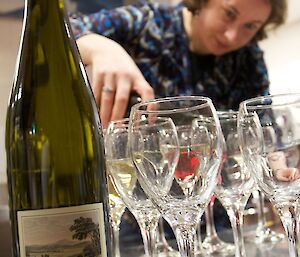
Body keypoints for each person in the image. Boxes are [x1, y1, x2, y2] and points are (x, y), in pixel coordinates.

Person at [70, 0, 287, 128]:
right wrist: (96, 45)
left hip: (215, 200)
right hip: (138, 197)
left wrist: (280, 170)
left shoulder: (248, 58)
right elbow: (60, 31)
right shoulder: (146, 23)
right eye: (229, 14)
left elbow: (265, 129)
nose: (232, 36)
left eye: (250, 26)